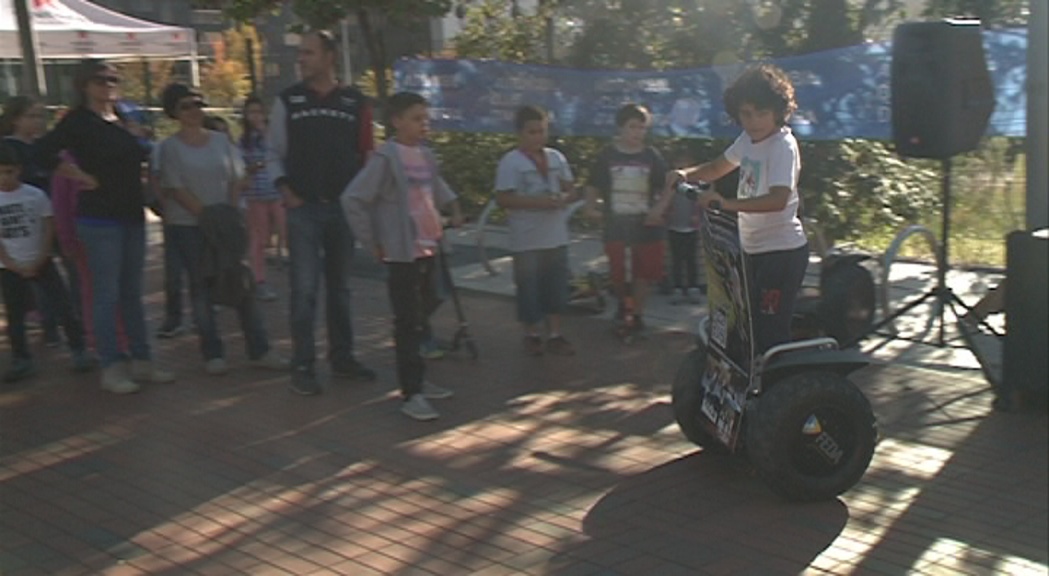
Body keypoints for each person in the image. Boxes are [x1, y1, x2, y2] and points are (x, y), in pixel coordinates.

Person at [34, 59, 174, 394]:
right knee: (105, 293)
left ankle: (142, 359)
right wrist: (78, 175)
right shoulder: (78, 121)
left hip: (131, 215)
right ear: (84, 84)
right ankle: (110, 365)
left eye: (114, 79)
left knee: (131, 293)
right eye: (101, 80)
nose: (109, 85)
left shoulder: (124, 116)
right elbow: (42, 152)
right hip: (99, 219)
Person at [664, 63, 807, 353]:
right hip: (751, 249)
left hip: (781, 253)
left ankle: (775, 391)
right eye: (746, 114)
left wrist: (728, 204)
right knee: (743, 323)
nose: (753, 122)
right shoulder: (749, 140)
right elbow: (719, 167)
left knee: (769, 331)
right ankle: (745, 385)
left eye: (762, 113)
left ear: (778, 111)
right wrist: (686, 174)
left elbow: (778, 199)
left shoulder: (782, 146)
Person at [267, 30, 376, 395]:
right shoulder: (288, 101)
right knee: (304, 289)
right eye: (300, 53)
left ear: (330, 56)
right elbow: (273, 152)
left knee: (341, 289)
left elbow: (367, 156)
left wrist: (361, 201)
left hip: (341, 211)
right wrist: (286, 190)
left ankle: (342, 358)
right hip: (304, 211)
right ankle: (303, 364)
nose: (301, 59)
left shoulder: (354, 102)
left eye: (309, 53)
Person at [342, 91, 463, 420]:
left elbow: (435, 186)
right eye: (416, 118)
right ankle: (412, 392)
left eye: (425, 118)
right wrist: (373, 241)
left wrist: (453, 206)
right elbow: (353, 199)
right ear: (396, 122)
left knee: (423, 314)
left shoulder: (425, 154)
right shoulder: (386, 158)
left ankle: (421, 380)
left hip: (428, 245)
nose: (424, 125)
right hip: (401, 253)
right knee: (407, 321)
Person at [156, 83, 288, 376]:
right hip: (189, 226)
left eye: (198, 104)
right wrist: (208, 217)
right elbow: (175, 188)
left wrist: (227, 214)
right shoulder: (169, 148)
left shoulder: (220, 141)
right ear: (174, 113)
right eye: (185, 106)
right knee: (201, 287)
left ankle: (260, 349)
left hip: (224, 224)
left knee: (241, 284)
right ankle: (213, 352)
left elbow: (236, 178)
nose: (194, 111)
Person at [0, 142, 94, 382]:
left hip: (41, 260)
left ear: (18, 170)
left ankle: (78, 349)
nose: (4, 178)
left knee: (63, 305)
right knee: (15, 314)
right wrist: (9, 261)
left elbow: (48, 226)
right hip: (10, 266)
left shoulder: (34, 195)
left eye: (9, 171)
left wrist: (42, 256)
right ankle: (22, 358)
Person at [495, 105, 579, 356]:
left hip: (555, 235)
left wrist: (564, 199)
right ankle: (531, 333)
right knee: (529, 288)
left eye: (542, 131)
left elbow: (572, 189)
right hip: (526, 238)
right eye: (532, 132)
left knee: (556, 285)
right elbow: (503, 199)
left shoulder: (556, 157)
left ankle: (555, 333)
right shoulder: (511, 162)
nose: (538, 137)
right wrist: (539, 203)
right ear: (520, 133)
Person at [583, 103, 670, 334]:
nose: (637, 133)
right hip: (617, 224)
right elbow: (593, 184)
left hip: (646, 225)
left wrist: (658, 209)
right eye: (633, 127)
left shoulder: (652, 156)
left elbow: (668, 185)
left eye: (642, 128)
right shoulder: (607, 155)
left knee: (643, 273)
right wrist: (591, 208)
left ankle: (637, 314)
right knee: (619, 272)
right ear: (620, 128)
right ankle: (624, 304)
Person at [1, 96, 61, 348]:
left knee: (52, 273)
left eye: (40, 115)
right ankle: (42, 325)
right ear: (16, 119)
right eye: (32, 116)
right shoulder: (9, 148)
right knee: (29, 275)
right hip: (20, 220)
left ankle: (58, 323)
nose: (38, 121)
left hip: (47, 213)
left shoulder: (42, 147)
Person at [239, 95, 285, 302]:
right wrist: (252, 168)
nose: (255, 116)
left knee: (286, 229)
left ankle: (283, 261)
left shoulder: (274, 135)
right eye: (251, 112)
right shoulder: (244, 141)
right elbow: (240, 168)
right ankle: (259, 279)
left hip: (277, 191)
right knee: (259, 238)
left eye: (258, 111)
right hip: (256, 194)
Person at [665, 148, 707, 304]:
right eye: (679, 162)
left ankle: (693, 287)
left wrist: (698, 215)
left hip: (691, 227)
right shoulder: (669, 183)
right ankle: (676, 287)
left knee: (691, 259)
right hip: (674, 226)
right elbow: (664, 200)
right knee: (676, 259)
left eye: (685, 163)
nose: (682, 165)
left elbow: (702, 201)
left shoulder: (696, 183)